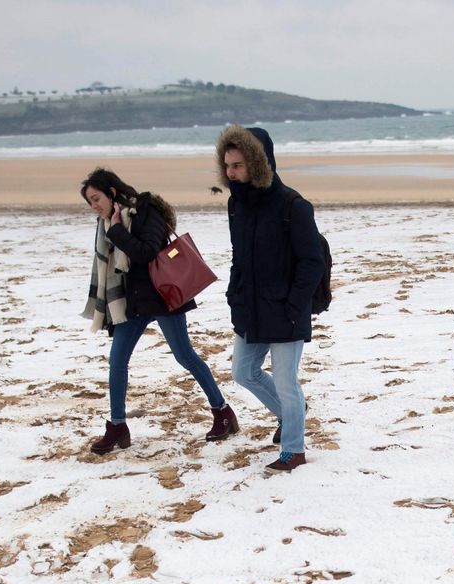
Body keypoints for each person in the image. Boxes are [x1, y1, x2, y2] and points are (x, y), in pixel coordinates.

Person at [80, 167, 237, 454]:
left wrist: (117, 231)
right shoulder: (106, 224)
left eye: (96, 199)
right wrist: (112, 228)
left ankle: (223, 412)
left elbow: (148, 251)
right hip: (132, 303)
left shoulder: (144, 210)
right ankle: (117, 426)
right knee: (117, 362)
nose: (93, 207)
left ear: (112, 192)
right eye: (89, 202)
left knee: (184, 355)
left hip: (163, 296)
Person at [214, 125, 326, 473]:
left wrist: (295, 305)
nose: (231, 173)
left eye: (238, 166)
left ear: (259, 164)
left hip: (285, 309)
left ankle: (294, 449)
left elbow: (312, 262)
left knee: (285, 381)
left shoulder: (293, 205)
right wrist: (235, 292)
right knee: (243, 372)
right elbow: (238, 256)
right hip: (250, 306)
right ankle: (290, 414)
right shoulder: (237, 204)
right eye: (228, 166)